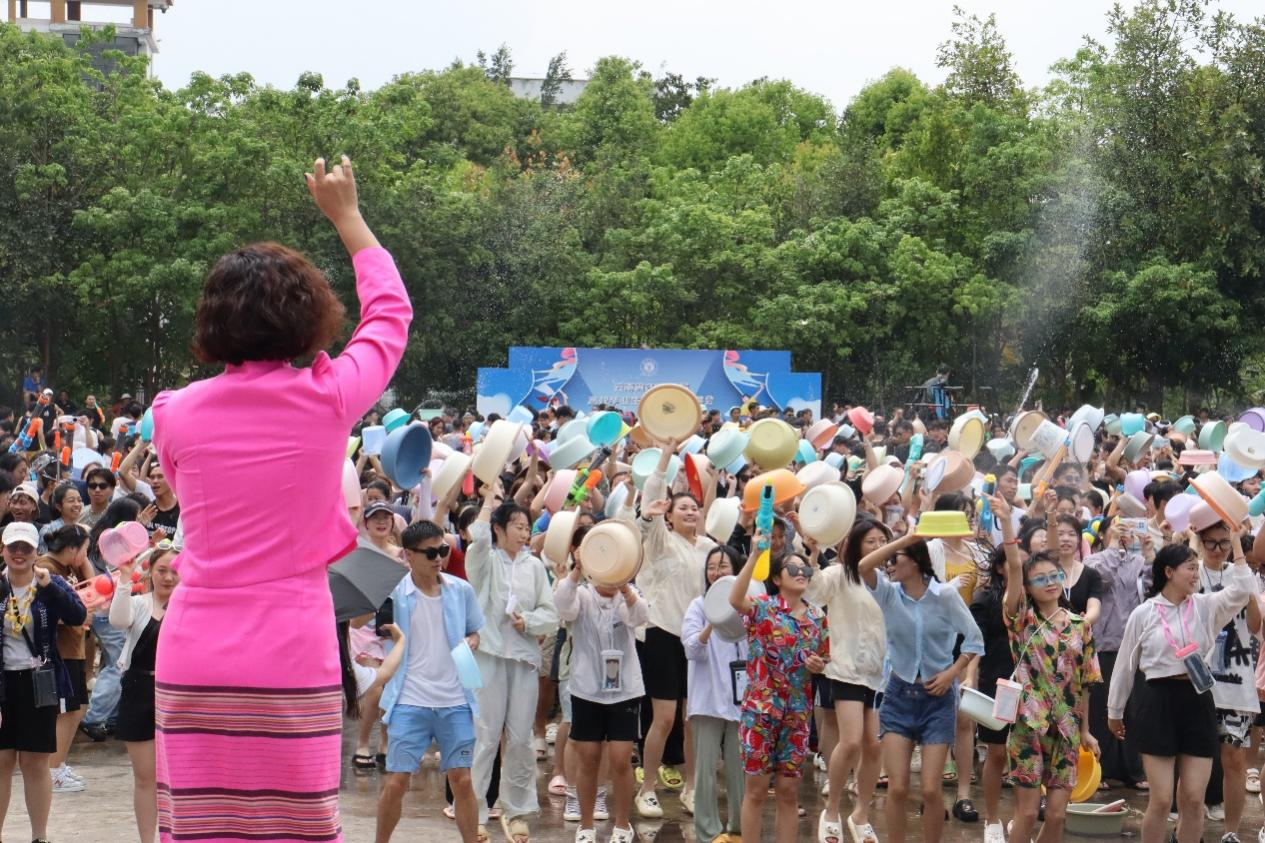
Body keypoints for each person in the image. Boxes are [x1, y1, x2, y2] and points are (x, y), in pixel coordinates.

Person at [147, 155, 412, 841]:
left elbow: (184, 492)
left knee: (200, 825)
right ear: (309, 315)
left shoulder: (173, 412)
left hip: (195, 649)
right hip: (292, 647)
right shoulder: (329, 398)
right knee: (298, 826)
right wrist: (347, 216)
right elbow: (390, 316)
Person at [1109, 537, 1254, 843]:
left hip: (1197, 700)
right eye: (1190, 568)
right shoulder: (1144, 613)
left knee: (1193, 798)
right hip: (1157, 701)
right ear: (1169, 572)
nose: (1195, 574)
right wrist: (1114, 711)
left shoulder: (1205, 606)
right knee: (1162, 799)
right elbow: (1125, 666)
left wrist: (1237, 544)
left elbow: (1243, 589)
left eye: (1196, 568)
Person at [856, 532, 984, 843]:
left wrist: (951, 673)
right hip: (898, 695)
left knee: (930, 789)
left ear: (915, 562)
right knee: (898, 787)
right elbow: (862, 566)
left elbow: (974, 640)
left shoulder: (945, 596)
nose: (889, 566)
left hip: (937, 699)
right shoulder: (888, 594)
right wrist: (904, 540)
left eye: (896, 559)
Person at [616, 439, 716, 819]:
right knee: (665, 718)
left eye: (694, 507)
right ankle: (647, 789)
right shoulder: (660, 539)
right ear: (669, 515)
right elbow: (655, 492)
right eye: (682, 507)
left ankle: (692, 788)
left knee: (693, 720)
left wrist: (712, 479)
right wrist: (666, 454)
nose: (690, 511)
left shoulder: (708, 548)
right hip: (660, 633)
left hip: (696, 640)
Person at [998, 492, 1102, 843]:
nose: (1049, 582)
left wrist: (1086, 730)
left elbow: (1085, 682)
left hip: (1067, 728)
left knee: (1057, 816)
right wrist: (1006, 522)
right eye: (1039, 579)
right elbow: (1015, 566)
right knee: (1028, 813)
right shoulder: (1021, 619)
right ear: (1027, 588)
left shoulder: (1080, 626)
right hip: (1028, 724)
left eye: (1054, 576)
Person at [376, 520, 483, 843]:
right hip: (409, 699)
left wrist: (472, 641)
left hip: (455, 698)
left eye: (443, 550)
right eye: (431, 553)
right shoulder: (394, 593)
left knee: (462, 779)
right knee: (396, 781)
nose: (439, 558)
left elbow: (475, 631)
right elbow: (370, 628)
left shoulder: (461, 590)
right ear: (409, 555)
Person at [467, 480, 558, 843]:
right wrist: (489, 499)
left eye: (526, 527)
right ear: (499, 530)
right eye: (517, 526)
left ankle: (517, 812)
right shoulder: (485, 560)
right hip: (488, 655)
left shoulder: (534, 567)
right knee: (485, 736)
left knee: (520, 738)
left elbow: (550, 614)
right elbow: (476, 538)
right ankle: (474, 813)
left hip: (522, 658)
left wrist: (529, 622)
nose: (523, 533)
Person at [729, 541, 828, 843]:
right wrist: (755, 555)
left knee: (788, 792)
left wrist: (818, 665)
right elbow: (735, 599)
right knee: (756, 790)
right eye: (793, 568)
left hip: (797, 715)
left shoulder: (817, 617)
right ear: (776, 578)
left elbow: (824, 659)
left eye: (805, 569)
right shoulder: (763, 607)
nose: (801, 573)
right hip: (760, 712)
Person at [554, 533, 648, 843]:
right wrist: (577, 569)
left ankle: (622, 824)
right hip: (587, 689)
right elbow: (563, 607)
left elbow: (640, 616)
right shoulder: (581, 594)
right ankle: (586, 825)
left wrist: (624, 585)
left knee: (621, 758)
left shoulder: (630, 594)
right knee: (589, 756)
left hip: (625, 690)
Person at [0, 520, 88, 843]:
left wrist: (50, 586)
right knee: (2, 760)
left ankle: (40, 836)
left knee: (35, 761)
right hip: (4, 683)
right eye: (13, 547)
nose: (19, 553)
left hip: (40, 681)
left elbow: (79, 616)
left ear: (36, 551)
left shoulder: (49, 582)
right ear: (3, 550)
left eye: (26, 547)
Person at [807, 517, 888, 843]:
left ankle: (861, 814)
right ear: (855, 545)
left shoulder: (887, 582)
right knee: (851, 740)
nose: (878, 546)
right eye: (871, 541)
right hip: (845, 668)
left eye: (882, 541)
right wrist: (813, 556)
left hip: (878, 673)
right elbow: (813, 592)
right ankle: (831, 810)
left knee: (874, 745)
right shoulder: (839, 574)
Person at [1194, 519, 1263, 841]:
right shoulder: (1192, 572)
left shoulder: (1242, 575)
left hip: (1236, 682)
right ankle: (1187, 829)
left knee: (1234, 760)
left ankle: (1231, 833)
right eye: (1211, 542)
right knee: (1193, 761)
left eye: (1224, 542)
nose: (1218, 548)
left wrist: (1247, 590)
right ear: (1200, 542)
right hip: (1196, 682)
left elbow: (1255, 626)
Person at [109, 540, 181, 843]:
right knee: (145, 776)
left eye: (174, 571)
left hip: (177, 694)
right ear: (150, 571)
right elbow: (118, 620)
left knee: (179, 778)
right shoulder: (139, 604)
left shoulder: (190, 607)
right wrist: (125, 579)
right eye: (161, 570)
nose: (168, 577)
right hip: (138, 690)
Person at [682, 545, 747, 843]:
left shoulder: (748, 604)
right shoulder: (698, 606)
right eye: (711, 567)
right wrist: (713, 618)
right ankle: (708, 833)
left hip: (741, 699)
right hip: (707, 699)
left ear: (735, 570)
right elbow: (692, 649)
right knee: (705, 770)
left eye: (723, 566)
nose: (716, 572)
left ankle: (740, 829)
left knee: (739, 768)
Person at [36, 523, 93, 793]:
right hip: (61, 650)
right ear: (71, 548)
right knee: (66, 711)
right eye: (84, 550)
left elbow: (91, 584)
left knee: (77, 709)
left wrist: (82, 559)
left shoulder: (67, 567)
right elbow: (41, 610)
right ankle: (52, 771)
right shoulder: (46, 568)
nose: (86, 556)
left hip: (74, 647)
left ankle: (58, 765)